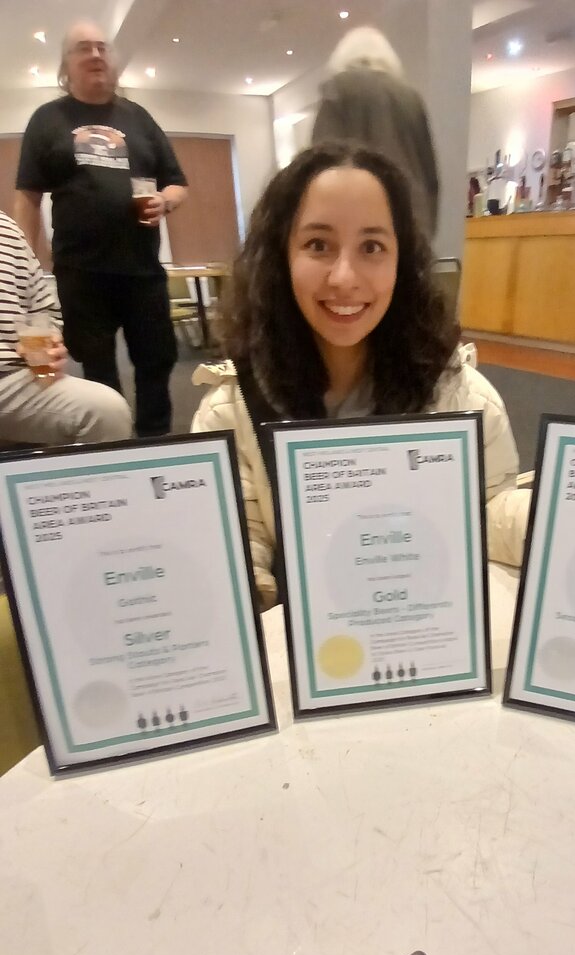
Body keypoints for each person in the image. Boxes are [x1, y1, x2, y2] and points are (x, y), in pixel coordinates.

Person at [191, 143, 530, 609]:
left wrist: (559, 516)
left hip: (417, 637)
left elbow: (489, 513)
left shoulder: (461, 395)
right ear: (280, 257)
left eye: (372, 247)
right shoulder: (230, 410)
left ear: (402, 261)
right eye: (318, 245)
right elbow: (241, 541)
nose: (344, 277)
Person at [13, 20, 188, 437]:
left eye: (101, 48)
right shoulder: (47, 119)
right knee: (97, 369)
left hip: (143, 271)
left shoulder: (139, 118)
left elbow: (178, 184)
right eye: (82, 49)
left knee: (157, 360)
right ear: (66, 65)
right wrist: (24, 266)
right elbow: (28, 197)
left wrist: (166, 201)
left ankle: (156, 443)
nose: (95, 55)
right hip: (81, 273)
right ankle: (110, 451)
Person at [0, 211, 132, 445]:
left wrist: (51, 343)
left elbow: (43, 310)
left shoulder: (7, 228)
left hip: (13, 379)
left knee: (105, 410)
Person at [311, 26, 439, 239]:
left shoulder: (338, 89)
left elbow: (318, 165)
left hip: (355, 218)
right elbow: (430, 177)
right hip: (412, 217)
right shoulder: (411, 98)